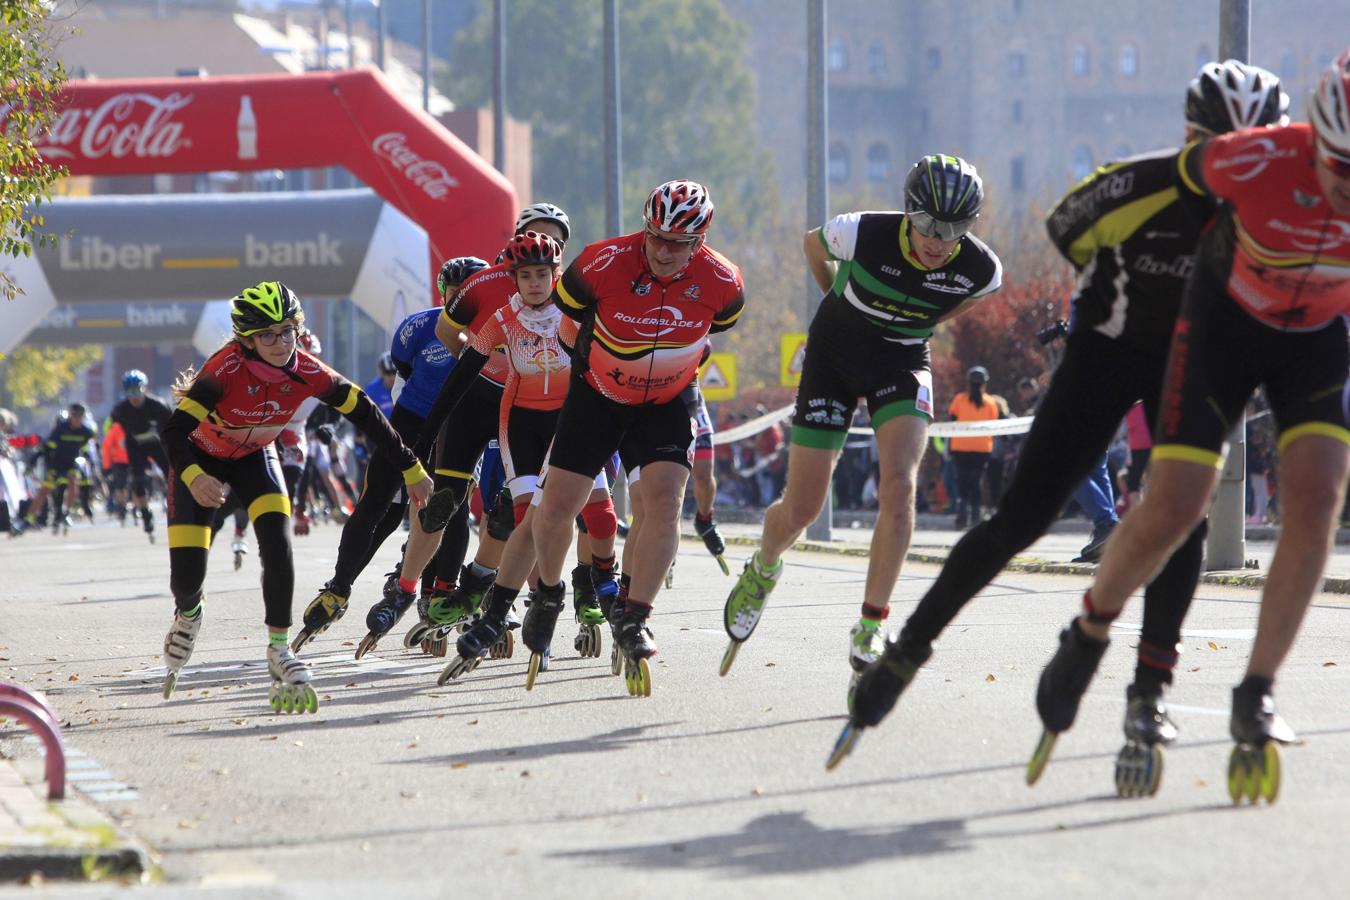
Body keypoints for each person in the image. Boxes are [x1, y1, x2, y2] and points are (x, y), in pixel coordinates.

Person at [837, 61, 1290, 783]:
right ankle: (907, 649)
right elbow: (1065, 225)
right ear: (1189, 136)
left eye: (1254, 143)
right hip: (1106, 357)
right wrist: (1117, 287)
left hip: (1188, 366)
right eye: (1218, 142)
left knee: (1185, 523)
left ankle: (1148, 693)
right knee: (1019, 522)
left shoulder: (1278, 213)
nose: (1237, 159)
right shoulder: (1138, 182)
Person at [1028, 53, 1350, 802]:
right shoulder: (1255, 154)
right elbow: (1157, 189)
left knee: (1318, 497)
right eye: (1338, 165)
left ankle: (1257, 690)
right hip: (1223, 323)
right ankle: (1089, 628)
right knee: (1176, 504)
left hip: (1314, 335)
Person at [721, 155, 1002, 694]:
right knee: (802, 507)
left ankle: (872, 623)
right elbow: (812, 244)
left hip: (901, 361)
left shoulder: (981, 269)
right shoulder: (862, 232)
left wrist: (921, 323)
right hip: (834, 355)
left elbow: (965, 300)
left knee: (901, 485)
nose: (939, 242)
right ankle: (763, 566)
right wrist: (837, 298)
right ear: (907, 212)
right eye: (927, 225)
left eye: (954, 230)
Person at [157, 281, 432, 713]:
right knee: (186, 579)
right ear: (247, 340)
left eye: (287, 330)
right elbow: (172, 431)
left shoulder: (307, 369)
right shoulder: (224, 371)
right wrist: (192, 476)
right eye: (267, 335)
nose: (280, 342)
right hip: (201, 461)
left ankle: (279, 646)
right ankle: (189, 612)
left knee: (277, 540)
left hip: (253, 458)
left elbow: (366, 413)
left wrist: (411, 467)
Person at [528, 180, 745, 696]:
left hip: (666, 400)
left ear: (700, 241)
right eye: (657, 238)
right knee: (559, 505)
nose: (665, 251)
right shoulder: (599, 263)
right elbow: (566, 323)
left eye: (679, 243)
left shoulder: (724, 282)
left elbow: (713, 332)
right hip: (599, 394)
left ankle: (635, 615)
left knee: (664, 502)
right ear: (645, 228)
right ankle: (548, 595)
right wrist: (593, 365)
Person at [294, 256, 488, 653]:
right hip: (412, 422)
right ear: (443, 293)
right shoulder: (418, 327)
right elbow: (402, 369)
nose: (461, 299)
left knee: (449, 512)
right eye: (454, 293)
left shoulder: (496, 330)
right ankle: (339, 587)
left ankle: (439, 593)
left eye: (470, 292)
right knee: (375, 505)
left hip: (461, 429)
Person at [397, 204, 573, 639]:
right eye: (525, 271)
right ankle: (409, 589)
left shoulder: (575, 300)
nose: (535, 278)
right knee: (450, 499)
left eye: (546, 264)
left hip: (547, 413)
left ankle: (580, 593)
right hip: (487, 400)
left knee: (538, 513)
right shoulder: (489, 296)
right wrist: (423, 441)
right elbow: (452, 361)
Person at [110, 369, 173, 543]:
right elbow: (117, 425)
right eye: (130, 392)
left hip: (158, 444)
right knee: (138, 480)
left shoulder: (158, 405)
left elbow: (173, 426)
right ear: (125, 393)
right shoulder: (120, 409)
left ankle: (177, 505)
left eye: (137, 390)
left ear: (144, 388)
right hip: (136, 445)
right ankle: (145, 514)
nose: (134, 396)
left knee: (172, 475)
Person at [26, 403, 97, 535]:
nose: (76, 419)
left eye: (80, 416)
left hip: (71, 464)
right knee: (44, 491)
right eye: (74, 415)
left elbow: (86, 449)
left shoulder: (86, 432)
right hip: (55, 465)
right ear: (70, 416)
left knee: (72, 481)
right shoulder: (60, 429)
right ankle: (28, 518)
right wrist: (34, 459)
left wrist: (91, 462)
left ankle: (66, 513)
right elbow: (46, 447)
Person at [947, 365, 1000, 528]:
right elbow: (995, 424)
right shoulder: (991, 403)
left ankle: (961, 515)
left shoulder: (959, 400)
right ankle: (975, 516)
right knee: (976, 481)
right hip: (982, 447)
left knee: (962, 481)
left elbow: (952, 421)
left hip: (961, 445)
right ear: (984, 383)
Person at [366, 353, 398, 419]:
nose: (392, 378)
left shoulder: (406, 387)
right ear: (381, 372)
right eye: (388, 373)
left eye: (395, 373)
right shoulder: (371, 390)